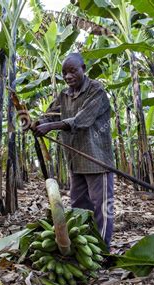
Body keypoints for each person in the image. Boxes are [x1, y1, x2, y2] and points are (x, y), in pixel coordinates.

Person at [33, 52, 115, 247]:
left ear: (83, 69)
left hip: (97, 160)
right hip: (75, 160)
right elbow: (51, 115)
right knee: (78, 206)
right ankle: (85, 245)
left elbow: (82, 120)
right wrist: (38, 123)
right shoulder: (64, 95)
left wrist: (51, 127)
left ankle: (103, 247)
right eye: (64, 73)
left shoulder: (97, 91)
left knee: (102, 208)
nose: (68, 76)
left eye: (72, 71)